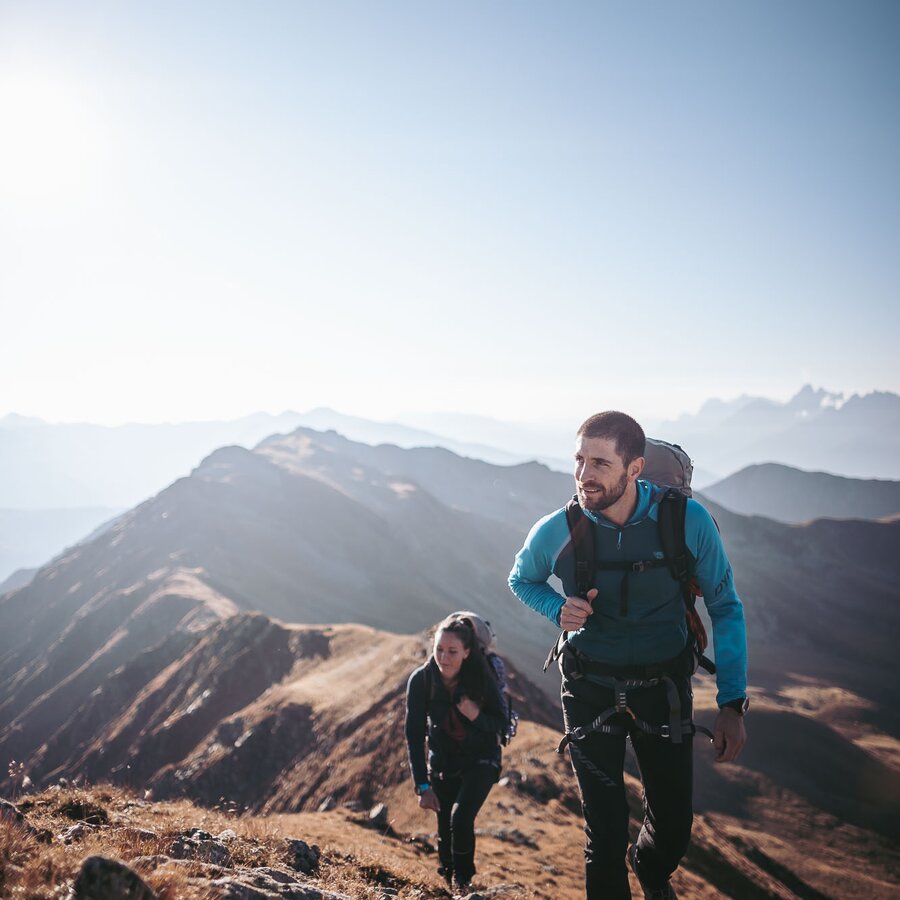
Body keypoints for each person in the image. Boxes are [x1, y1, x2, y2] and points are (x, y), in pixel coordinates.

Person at [508, 411, 748, 900]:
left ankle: (650, 865)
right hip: (589, 685)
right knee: (605, 831)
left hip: (664, 687)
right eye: (579, 460)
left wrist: (732, 703)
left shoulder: (686, 521)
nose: (583, 475)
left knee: (675, 826)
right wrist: (558, 608)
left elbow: (724, 606)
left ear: (634, 468)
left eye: (599, 463)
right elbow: (521, 580)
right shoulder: (559, 527)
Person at [405, 615, 508, 895]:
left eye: (452, 651)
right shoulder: (421, 680)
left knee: (460, 818)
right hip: (443, 764)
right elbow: (414, 736)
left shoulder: (481, 676)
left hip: (482, 760)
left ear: (467, 652)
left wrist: (476, 716)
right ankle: (449, 879)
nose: (444, 657)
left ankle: (464, 885)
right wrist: (422, 786)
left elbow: (502, 722)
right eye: (439, 649)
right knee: (445, 830)